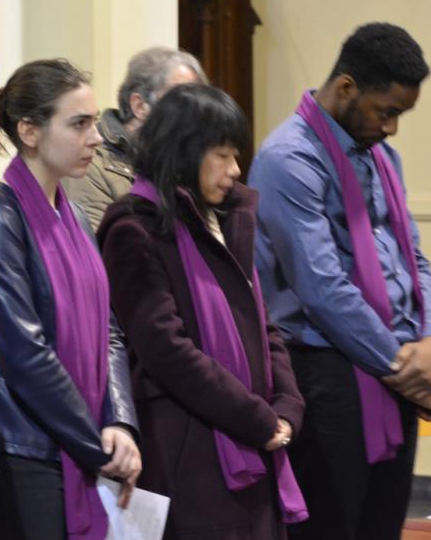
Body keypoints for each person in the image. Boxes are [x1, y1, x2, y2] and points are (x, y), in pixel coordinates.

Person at [248, 22, 431, 540]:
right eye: (388, 112)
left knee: (382, 526)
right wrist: (405, 368)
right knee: (335, 527)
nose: (393, 127)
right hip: (328, 372)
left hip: (391, 366)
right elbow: (322, 289)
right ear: (346, 89)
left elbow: (413, 258)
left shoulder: (382, 158)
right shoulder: (289, 159)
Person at [98, 83, 307, 539]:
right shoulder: (135, 227)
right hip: (190, 446)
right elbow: (165, 349)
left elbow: (260, 320)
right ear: (184, 151)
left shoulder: (227, 218)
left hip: (251, 436)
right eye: (223, 155)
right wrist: (255, 418)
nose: (235, 170)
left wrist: (288, 404)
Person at [0, 59, 141, 540]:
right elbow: (24, 352)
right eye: (79, 124)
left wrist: (120, 423)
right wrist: (95, 442)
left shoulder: (76, 216)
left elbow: (110, 330)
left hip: (84, 436)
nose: (97, 138)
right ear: (30, 132)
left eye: (94, 124)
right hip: (28, 448)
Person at [63, 46, 206, 230]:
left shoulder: (187, 160)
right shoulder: (89, 164)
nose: (194, 114)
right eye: (180, 100)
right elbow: (98, 251)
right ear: (139, 106)